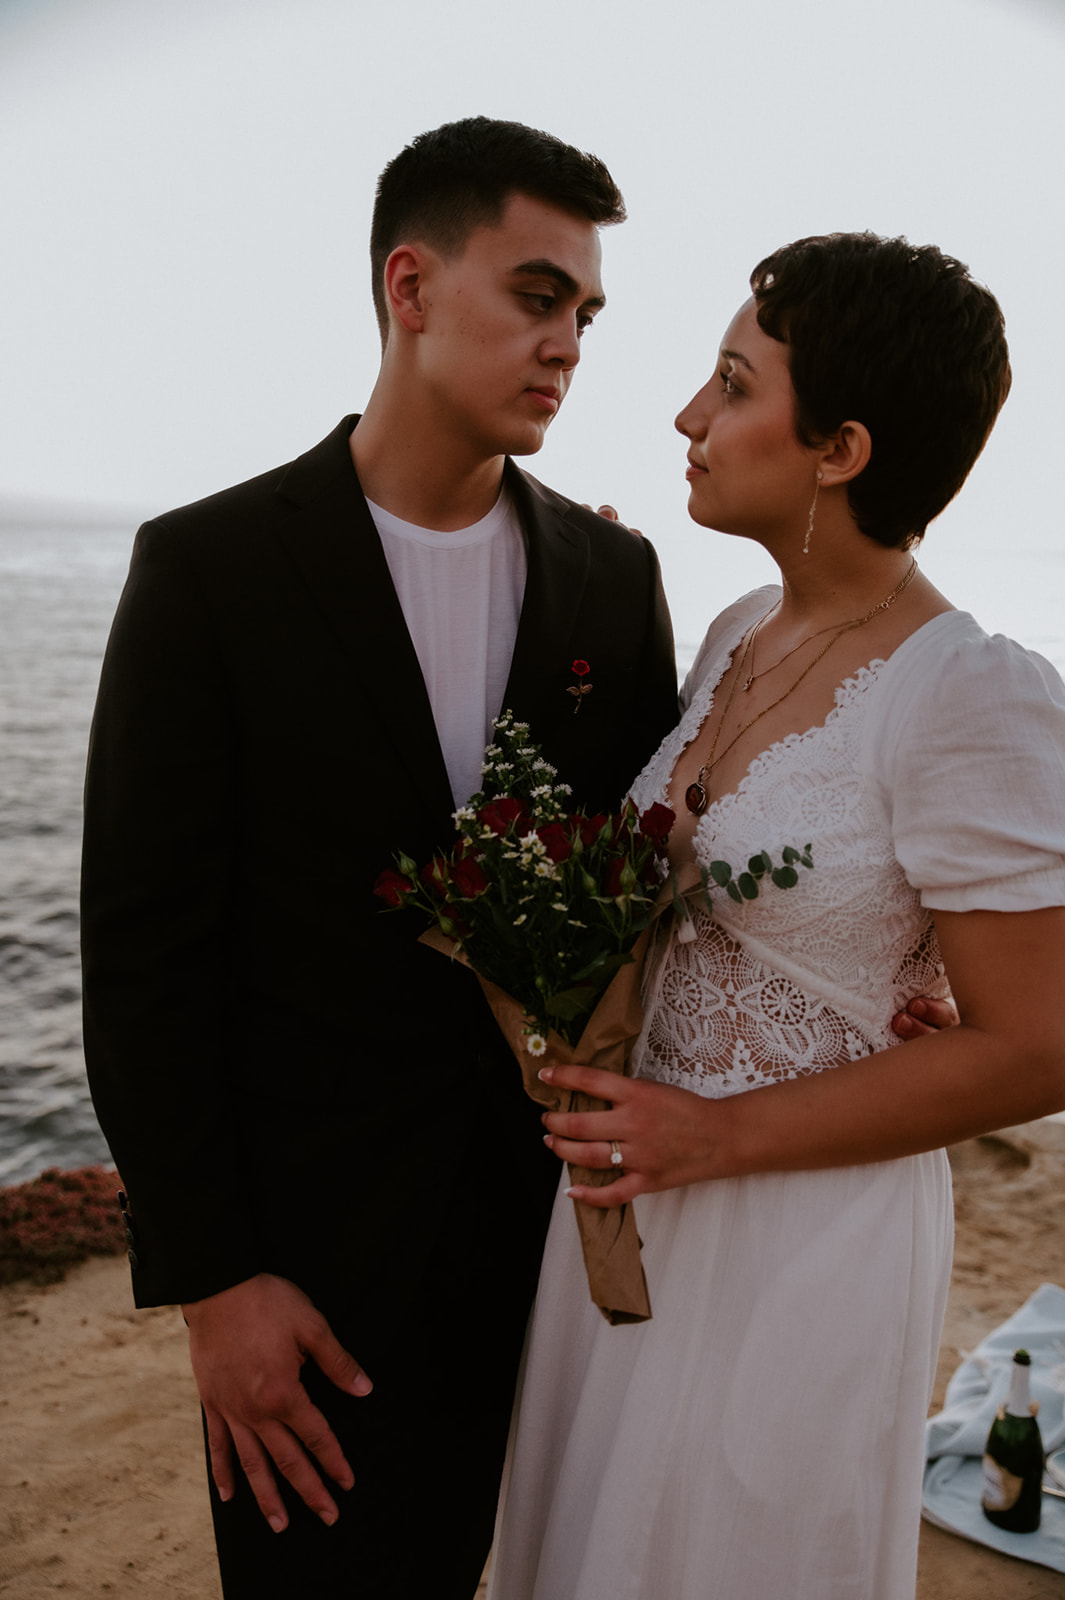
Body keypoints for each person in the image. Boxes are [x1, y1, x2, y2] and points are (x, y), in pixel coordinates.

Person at [80, 117, 681, 1600]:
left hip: (564, 1263)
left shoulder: (616, 579)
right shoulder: (207, 569)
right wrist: (214, 1280)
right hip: (313, 1287)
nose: (568, 345)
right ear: (408, 287)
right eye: (536, 297)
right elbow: (145, 954)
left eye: (585, 316)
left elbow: (657, 882)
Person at [487, 233, 1065, 1600]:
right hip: (632, 1202)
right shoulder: (740, 625)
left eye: (730, 385)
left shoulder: (970, 698)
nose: (689, 415)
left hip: (797, 1231)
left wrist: (716, 1132)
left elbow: (1043, 1046)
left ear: (839, 449)